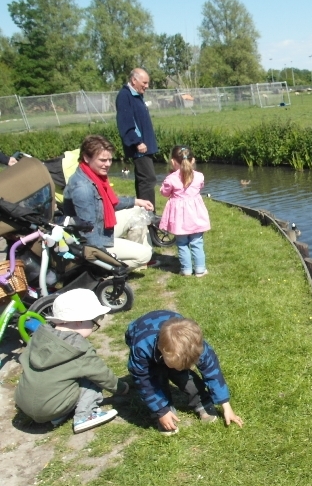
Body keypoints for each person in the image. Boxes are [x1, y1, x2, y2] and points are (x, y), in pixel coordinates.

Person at [15, 289, 129, 433]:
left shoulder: (39, 336)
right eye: (93, 323)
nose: (94, 327)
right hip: (50, 407)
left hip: (24, 403)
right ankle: (85, 416)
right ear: (79, 321)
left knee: (55, 377)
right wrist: (122, 388)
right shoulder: (79, 349)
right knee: (91, 379)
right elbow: (103, 375)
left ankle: (58, 415)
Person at [125, 310, 243, 435]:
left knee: (181, 375)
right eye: (175, 364)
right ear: (162, 352)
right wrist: (161, 410)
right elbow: (143, 381)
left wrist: (226, 405)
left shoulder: (196, 345)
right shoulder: (141, 349)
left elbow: (213, 372)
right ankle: (164, 410)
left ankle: (202, 401)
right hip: (137, 332)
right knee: (156, 376)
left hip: (170, 332)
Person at [63, 135, 154, 268]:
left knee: (138, 212)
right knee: (145, 255)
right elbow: (88, 231)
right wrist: (103, 258)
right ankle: (108, 271)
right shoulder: (83, 188)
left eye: (110, 160)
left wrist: (136, 201)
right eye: (103, 160)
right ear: (86, 158)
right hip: (92, 240)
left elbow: (109, 203)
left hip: (102, 226)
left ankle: (135, 257)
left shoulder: (93, 175)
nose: (108, 164)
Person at [160, 146, 210, 277]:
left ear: (173, 162)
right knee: (197, 242)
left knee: (182, 243)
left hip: (179, 218)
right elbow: (200, 186)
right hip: (196, 215)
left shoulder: (171, 178)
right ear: (192, 160)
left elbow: (164, 193)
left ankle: (186, 270)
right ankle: (200, 269)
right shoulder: (199, 176)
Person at [116, 68, 158, 208]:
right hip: (140, 147)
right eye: (144, 83)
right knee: (147, 179)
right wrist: (137, 141)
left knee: (144, 179)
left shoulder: (136, 96)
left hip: (145, 145)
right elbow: (126, 122)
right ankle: (148, 215)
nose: (147, 86)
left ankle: (144, 213)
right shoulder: (125, 96)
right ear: (134, 80)